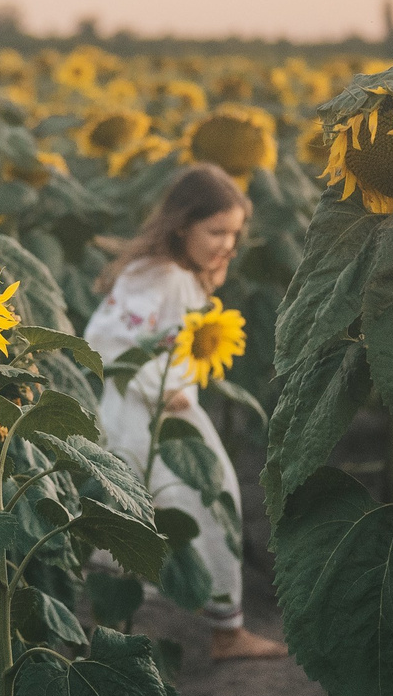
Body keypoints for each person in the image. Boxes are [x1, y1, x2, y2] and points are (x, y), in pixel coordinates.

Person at [83, 162, 287, 661]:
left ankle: (115, 635)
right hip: (156, 415)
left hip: (129, 414)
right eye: (216, 231)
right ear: (182, 225)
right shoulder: (166, 276)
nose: (227, 245)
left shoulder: (162, 270)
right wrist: (160, 388)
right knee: (209, 499)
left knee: (129, 516)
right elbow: (104, 340)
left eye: (234, 235)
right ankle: (226, 630)